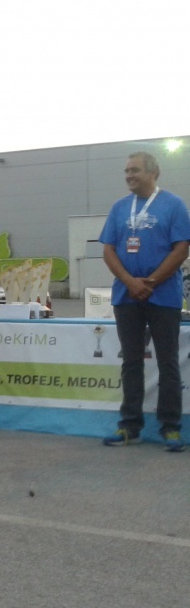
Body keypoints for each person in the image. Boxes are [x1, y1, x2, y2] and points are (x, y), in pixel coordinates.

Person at [99, 151, 190, 452]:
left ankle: (171, 427)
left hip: (163, 296)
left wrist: (149, 282)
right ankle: (130, 426)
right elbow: (108, 250)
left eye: (134, 170)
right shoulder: (119, 207)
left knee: (168, 362)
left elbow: (182, 249)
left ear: (153, 173)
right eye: (126, 171)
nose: (128, 176)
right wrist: (130, 282)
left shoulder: (174, 205)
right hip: (126, 296)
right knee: (131, 361)